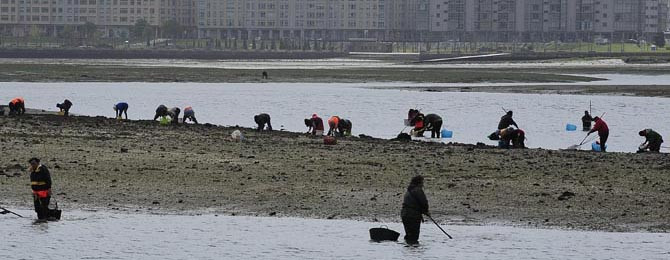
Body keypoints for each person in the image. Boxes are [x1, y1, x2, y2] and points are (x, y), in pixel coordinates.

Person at [401, 175, 429, 245]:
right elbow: (424, 202)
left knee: (408, 234)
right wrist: (426, 211)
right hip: (413, 215)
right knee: (414, 236)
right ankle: (413, 248)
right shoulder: (418, 190)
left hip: (404, 214)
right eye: (422, 182)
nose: (423, 184)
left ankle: (408, 246)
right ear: (419, 183)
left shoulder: (409, 190)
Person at [29, 158, 52, 222]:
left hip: (44, 192)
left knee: (44, 207)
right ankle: (41, 220)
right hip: (36, 193)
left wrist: (49, 189)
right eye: (31, 164)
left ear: (38, 163)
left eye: (34, 164)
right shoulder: (32, 171)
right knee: (37, 208)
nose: (32, 165)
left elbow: (48, 179)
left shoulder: (43, 169)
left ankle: (44, 219)